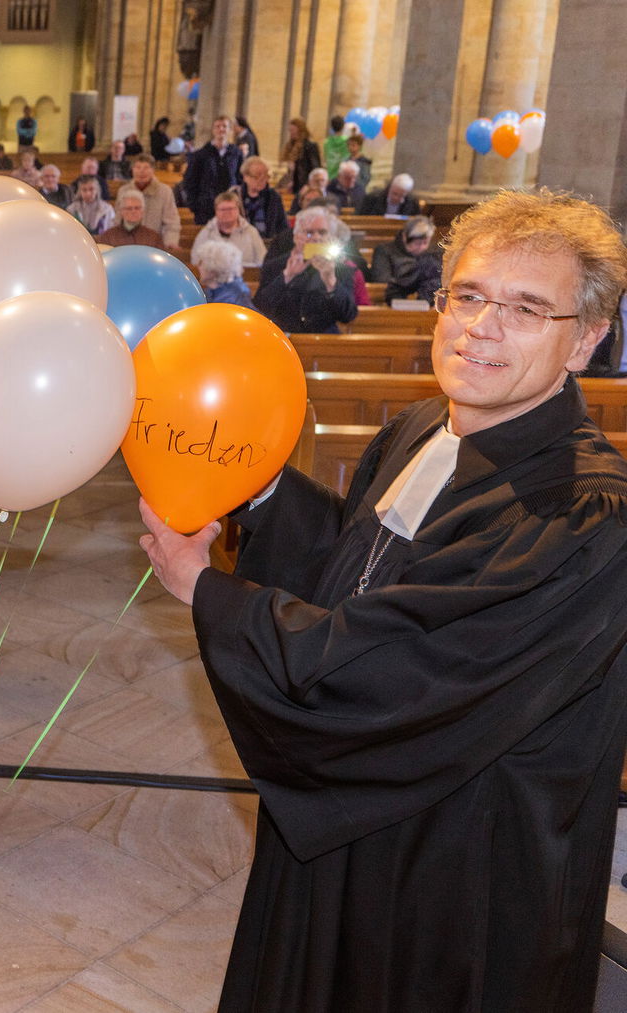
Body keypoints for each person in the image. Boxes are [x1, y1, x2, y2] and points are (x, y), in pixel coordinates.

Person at [138, 188, 627, 1012]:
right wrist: (253, 495)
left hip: (452, 880)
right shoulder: (420, 430)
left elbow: (406, 673)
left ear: (585, 340)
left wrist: (207, 593)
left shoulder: (583, 516)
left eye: (525, 308)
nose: (481, 325)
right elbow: (354, 567)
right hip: (347, 832)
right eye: (467, 295)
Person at [255, 205, 359, 333]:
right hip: (285, 338)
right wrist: (287, 276)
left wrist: (331, 282)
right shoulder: (275, 265)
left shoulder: (340, 269)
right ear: (296, 236)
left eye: (322, 232)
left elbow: (348, 316)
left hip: (323, 341)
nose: (316, 238)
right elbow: (260, 308)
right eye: (309, 232)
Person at [182, 115, 244, 224]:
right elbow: (189, 182)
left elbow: (241, 179)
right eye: (217, 126)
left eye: (224, 126)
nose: (221, 129)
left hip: (230, 207)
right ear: (213, 130)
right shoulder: (200, 154)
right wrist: (195, 206)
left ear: (230, 130)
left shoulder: (236, 153)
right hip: (205, 209)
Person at [369, 215, 443, 302]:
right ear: (404, 237)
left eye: (425, 242)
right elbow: (382, 281)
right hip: (392, 301)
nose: (422, 247)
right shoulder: (385, 250)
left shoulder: (433, 254)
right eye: (417, 243)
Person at [191, 190, 267, 267]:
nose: (227, 212)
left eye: (231, 209)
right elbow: (196, 260)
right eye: (223, 210)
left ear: (238, 210)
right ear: (216, 211)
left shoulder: (251, 232)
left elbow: (262, 260)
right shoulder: (207, 232)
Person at [129, 154, 182, 250]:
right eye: (138, 167)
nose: (141, 171)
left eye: (146, 167)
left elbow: (171, 222)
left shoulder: (165, 191)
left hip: (155, 245)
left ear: (153, 170)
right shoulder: (125, 191)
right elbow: (117, 221)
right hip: (129, 245)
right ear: (132, 170)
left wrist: (170, 242)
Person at [96, 187, 165, 249]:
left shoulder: (153, 238)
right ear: (121, 211)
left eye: (137, 208)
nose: (133, 211)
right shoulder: (108, 237)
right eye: (129, 208)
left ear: (143, 211)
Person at [238, 155, 288, 239]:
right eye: (257, 176)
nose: (262, 180)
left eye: (265, 176)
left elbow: (283, 226)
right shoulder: (235, 196)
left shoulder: (274, 197)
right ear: (245, 177)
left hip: (267, 244)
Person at [195, 239, 255, 307]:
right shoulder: (214, 291)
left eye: (201, 262)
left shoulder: (230, 298)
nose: (198, 266)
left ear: (213, 268)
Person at [280, 117, 322, 192]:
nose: (291, 133)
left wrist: (309, 184)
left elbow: (315, 168)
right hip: (294, 184)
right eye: (290, 131)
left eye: (293, 130)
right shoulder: (291, 145)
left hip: (304, 185)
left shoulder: (310, 146)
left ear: (300, 130)